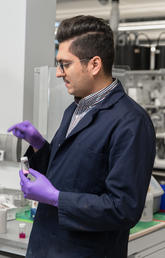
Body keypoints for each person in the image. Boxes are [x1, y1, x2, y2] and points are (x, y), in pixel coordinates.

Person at [8, 15, 156, 258]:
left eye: (65, 64)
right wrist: (38, 146)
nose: (58, 73)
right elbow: (67, 172)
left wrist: (56, 198)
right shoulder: (76, 109)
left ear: (94, 65)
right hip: (46, 247)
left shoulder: (131, 123)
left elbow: (123, 208)